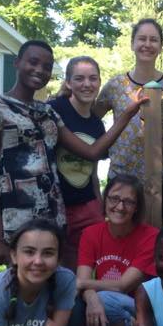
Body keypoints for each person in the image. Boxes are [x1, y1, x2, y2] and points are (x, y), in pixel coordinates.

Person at [0, 40, 146, 266]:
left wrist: (127, 115)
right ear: (17, 63)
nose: (40, 70)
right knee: (23, 286)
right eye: (33, 62)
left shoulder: (47, 113)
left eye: (47, 66)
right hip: (19, 216)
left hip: (54, 216)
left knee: (58, 285)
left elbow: (91, 152)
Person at [62, 174, 159, 326]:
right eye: (114, 198)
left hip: (138, 315)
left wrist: (88, 289)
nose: (120, 206)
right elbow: (83, 280)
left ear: (137, 207)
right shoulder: (92, 233)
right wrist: (92, 298)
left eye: (129, 201)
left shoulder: (150, 236)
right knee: (67, 304)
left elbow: (125, 285)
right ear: (105, 200)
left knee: (104, 298)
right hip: (105, 313)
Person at [95, 19, 163, 224]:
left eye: (153, 40)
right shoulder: (115, 85)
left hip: (161, 179)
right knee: (120, 242)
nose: (147, 44)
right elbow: (91, 118)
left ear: (160, 46)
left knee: (154, 245)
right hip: (122, 178)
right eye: (142, 39)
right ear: (132, 44)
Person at [48, 56, 107, 271]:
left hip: (87, 204)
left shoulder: (96, 124)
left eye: (93, 78)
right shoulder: (55, 109)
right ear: (68, 83)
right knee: (54, 263)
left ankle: (80, 302)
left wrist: (99, 205)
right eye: (79, 78)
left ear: (99, 82)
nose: (87, 84)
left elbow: (93, 171)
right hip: (57, 203)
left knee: (83, 265)